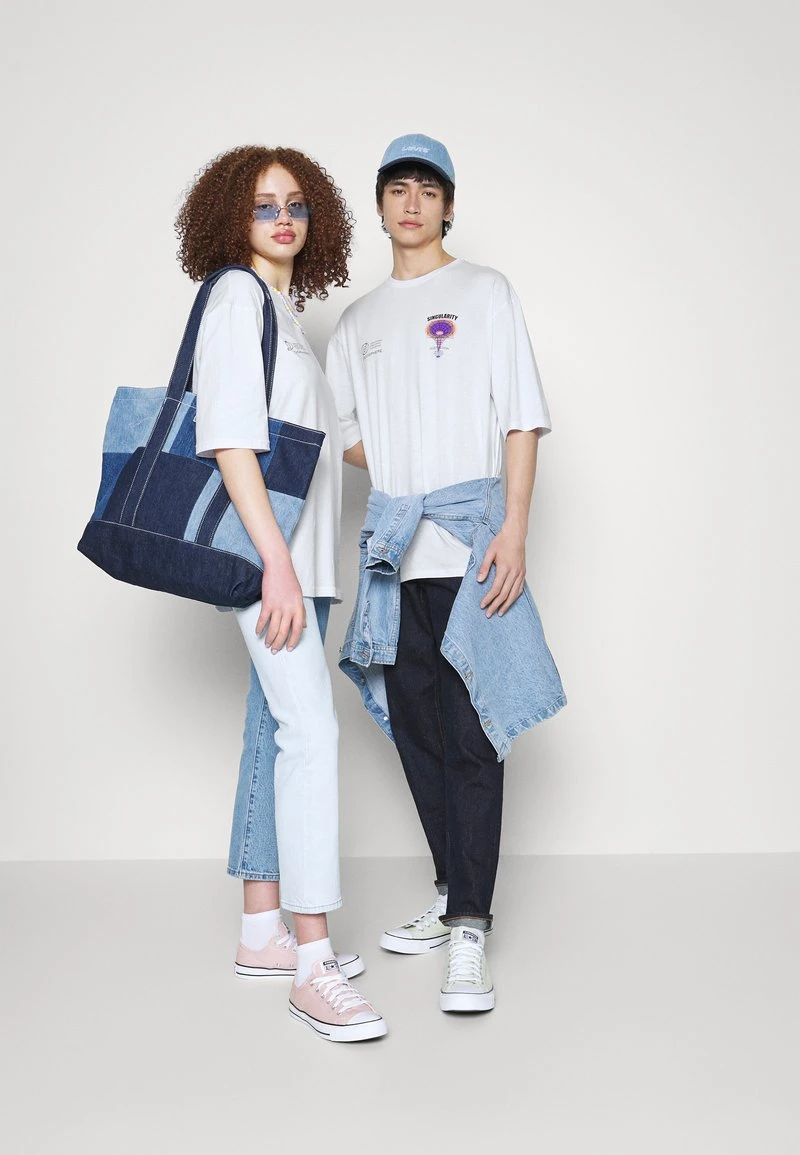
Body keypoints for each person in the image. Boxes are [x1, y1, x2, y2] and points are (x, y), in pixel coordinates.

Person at [327, 133, 565, 1014]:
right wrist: (404, 480)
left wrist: (513, 528)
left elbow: (521, 419)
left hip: (472, 550)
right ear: (380, 205)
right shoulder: (356, 323)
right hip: (394, 556)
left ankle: (470, 925)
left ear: (449, 206)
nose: (412, 202)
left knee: (473, 733)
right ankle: (449, 889)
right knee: (416, 732)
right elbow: (344, 432)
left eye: (428, 189)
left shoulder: (485, 292)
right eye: (398, 188)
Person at [175, 145, 386, 1042]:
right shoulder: (234, 297)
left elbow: (326, 447)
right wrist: (277, 562)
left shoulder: (283, 315)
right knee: (311, 732)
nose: (284, 218)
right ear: (234, 218)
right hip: (277, 566)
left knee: (273, 727)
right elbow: (229, 440)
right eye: (264, 205)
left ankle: (263, 930)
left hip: (302, 565)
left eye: (296, 203)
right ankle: (312, 965)